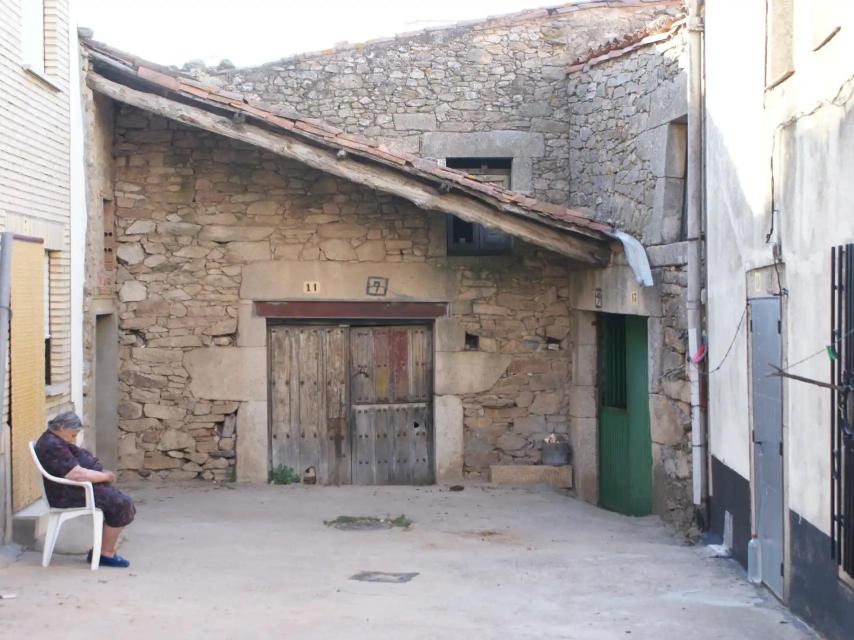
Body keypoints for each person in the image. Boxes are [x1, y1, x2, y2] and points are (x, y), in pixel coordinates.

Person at [34, 411, 135, 568]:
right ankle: (105, 554)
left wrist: (99, 475)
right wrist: (105, 476)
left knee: (118, 500)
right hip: (65, 494)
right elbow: (77, 475)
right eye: (73, 434)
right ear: (62, 427)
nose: (74, 438)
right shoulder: (52, 445)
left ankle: (100, 550)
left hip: (72, 489)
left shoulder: (56, 439)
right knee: (121, 503)